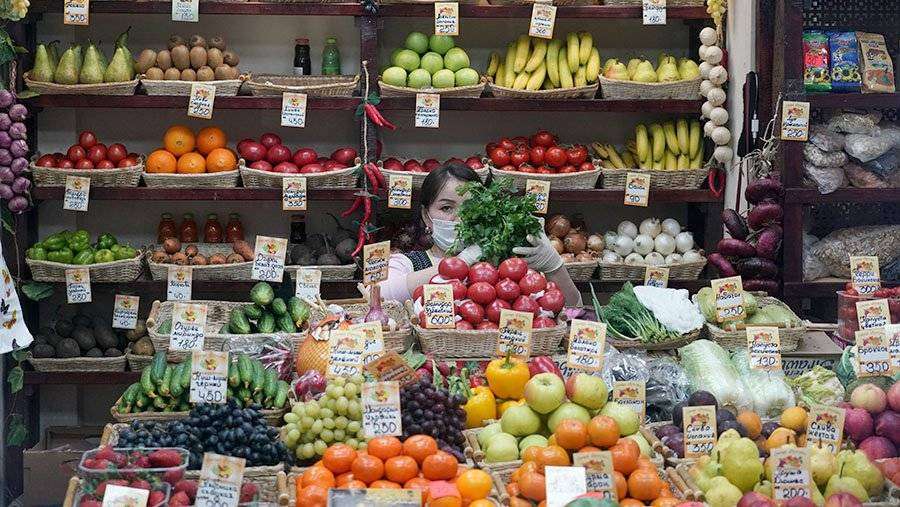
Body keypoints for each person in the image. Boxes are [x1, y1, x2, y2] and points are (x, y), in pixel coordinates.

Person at [380, 162, 583, 307]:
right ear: (426, 215)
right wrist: (462, 262)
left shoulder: (507, 266)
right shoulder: (406, 263)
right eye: (446, 208)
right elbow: (380, 295)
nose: (460, 218)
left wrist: (554, 266)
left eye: (471, 207)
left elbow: (574, 310)